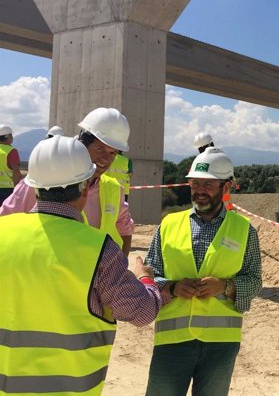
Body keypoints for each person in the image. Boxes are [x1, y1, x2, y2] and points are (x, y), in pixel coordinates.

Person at [0, 135, 161, 395]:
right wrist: (145, 279)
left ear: (34, 186)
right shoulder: (100, 250)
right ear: (86, 187)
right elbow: (142, 312)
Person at [144, 147, 262, 396]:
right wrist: (173, 287)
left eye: (208, 185)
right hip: (172, 341)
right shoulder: (169, 224)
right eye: (195, 183)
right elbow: (150, 272)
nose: (200, 191)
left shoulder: (244, 230)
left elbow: (254, 279)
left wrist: (225, 286)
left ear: (226, 188)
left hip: (220, 345)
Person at [0, 108, 135, 256]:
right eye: (99, 148)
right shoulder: (43, 182)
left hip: (97, 275)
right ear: (82, 143)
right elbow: (5, 220)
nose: (105, 159)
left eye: (112, 153)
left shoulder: (114, 189)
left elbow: (124, 227)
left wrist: (122, 265)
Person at [0, 125, 22, 205]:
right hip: (7, 191)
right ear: (8, 136)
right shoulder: (11, 151)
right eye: (11, 135)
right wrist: (17, 190)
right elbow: (16, 173)